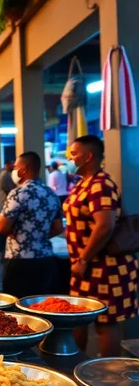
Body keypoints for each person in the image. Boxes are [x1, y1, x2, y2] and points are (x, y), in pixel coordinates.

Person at [64, 135, 138, 357]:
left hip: (104, 267)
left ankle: (106, 377)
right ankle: (76, 368)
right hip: (84, 266)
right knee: (77, 315)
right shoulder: (83, 184)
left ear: (89, 157)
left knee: (105, 323)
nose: (70, 158)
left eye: (74, 154)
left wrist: (84, 258)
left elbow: (104, 226)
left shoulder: (101, 184)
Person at [0, 151, 63, 298]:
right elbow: (58, 227)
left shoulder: (18, 193)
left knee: (18, 306)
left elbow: (1, 226)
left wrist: (22, 235)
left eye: (15, 167)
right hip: (45, 260)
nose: (13, 171)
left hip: (19, 260)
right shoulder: (51, 193)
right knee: (41, 305)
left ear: (24, 169)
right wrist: (38, 236)